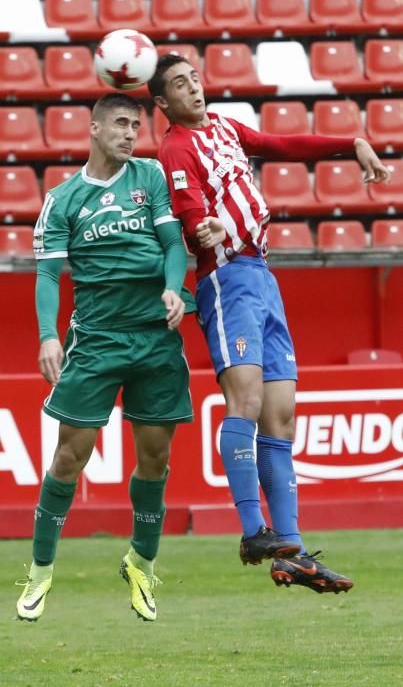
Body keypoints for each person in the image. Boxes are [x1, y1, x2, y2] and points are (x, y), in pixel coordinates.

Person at [148, 54, 391, 594]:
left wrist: (349, 143)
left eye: (194, 78)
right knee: (248, 403)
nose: (194, 88)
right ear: (163, 103)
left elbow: (280, 147)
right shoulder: (176, 147)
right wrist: (202, 228)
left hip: (262, 276)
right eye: (180, 85)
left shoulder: (226, 128)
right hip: (226, 277)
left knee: (281, 416)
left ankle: (293, 552)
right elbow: (191, 216)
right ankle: (253, 530)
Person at [16, 92, 196, 623]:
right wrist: (49, 336)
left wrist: (171, 287)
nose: (129, 133)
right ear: (93, 129)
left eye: (135, 125)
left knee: (156, 458)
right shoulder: (63, 199)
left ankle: (140, 562)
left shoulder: (150, 178)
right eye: (119, 124)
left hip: (156, 337)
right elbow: (48, 273)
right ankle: (41, 572)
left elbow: (171, 244)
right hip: (96, 340)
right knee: (70, 457)